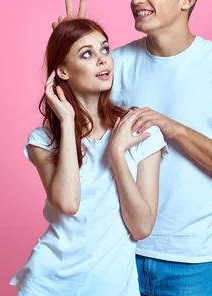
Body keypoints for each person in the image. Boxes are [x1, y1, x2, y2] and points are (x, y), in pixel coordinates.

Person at [54, 0, 212, 296]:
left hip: (191, 262)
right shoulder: (112, 65)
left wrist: (175, 129)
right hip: (114, 251)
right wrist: (67, 48)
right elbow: (66, 127)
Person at [10, 18, 169, 295]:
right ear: (63, 70)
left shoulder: (141, 131)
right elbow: (69, 203)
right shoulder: (44, 141)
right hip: (48, 285)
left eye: (105, 50)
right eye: (87, 54)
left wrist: (117, 154)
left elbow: (142, 227)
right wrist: (68, 122)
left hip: (113, 287)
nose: (102, 60)